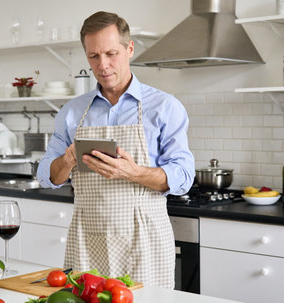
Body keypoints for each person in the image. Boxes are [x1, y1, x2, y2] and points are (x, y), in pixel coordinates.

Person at [37, 11, 194, 288]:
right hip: (88, 236)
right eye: (93, 56)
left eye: (111, 53)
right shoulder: (72, 112)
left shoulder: (165, 107)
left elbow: (183, 177)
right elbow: (47, 177)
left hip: (144, 239)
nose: (103, 65)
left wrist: (133, 172)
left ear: (129, 48)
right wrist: (66, 161)